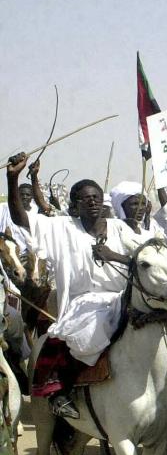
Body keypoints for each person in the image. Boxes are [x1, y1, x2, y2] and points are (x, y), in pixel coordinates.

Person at [6, 153, 138, 419]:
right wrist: (13, 178)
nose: (92, 201)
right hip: (83, 304)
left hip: (122, 299)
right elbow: (22, 219)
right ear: (74, 206)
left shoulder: (120, 229)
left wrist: (114, 257)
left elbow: (142, 259)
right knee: (85, 331)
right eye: (84, 198)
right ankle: (60, 391)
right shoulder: (62, 227)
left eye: (96, 197)